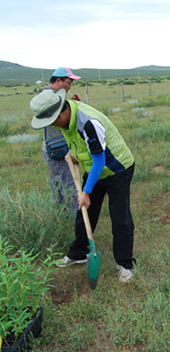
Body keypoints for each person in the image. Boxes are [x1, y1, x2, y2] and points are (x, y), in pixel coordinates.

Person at [30, 88, 136, 283]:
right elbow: (76, 139)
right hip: (95, 168)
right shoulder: (65, 117)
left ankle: (126, 264)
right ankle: (78, 253)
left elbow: (99, 162)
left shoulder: (88, 123)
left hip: (117, 168)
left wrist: (86, 191)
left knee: (119, 216)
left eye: (52, 120)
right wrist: (72, 152)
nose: (52, 125)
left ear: (61, 113)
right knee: (85, 210)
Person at [42, 67, 82, 214]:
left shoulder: (55, 96)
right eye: (69, 82)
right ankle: (74, 220)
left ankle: (59, 215)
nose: (70, 87)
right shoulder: (49, 97)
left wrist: (70, 104)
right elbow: (62, 121)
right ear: (58, 80)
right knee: (70, 185)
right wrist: (74, 107)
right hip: (58, 148)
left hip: (53, 148)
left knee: (57, 182)